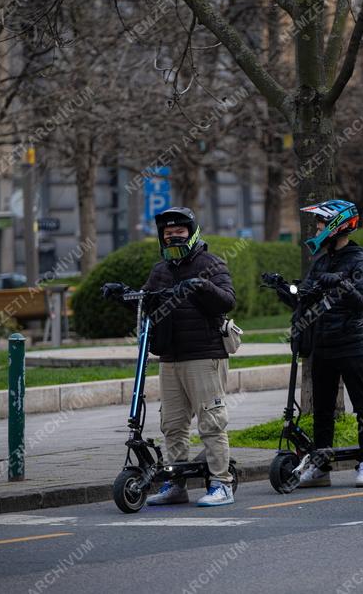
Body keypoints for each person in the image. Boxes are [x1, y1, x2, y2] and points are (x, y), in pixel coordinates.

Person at [101, 206, 236, 507]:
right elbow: (147, 302)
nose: (173, 236)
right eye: (168, 233)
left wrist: (202, 285)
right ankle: (176, 485)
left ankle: (221, 483)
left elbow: (227, 300)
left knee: (211, 422)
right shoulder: (160, 271)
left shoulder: (211, 263)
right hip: (170, 357)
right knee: (172, 425)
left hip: (204, 355)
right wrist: (123, 294)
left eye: (179, 231)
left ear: (191, 232)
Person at [276, 199, 363, 488]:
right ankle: (321, 466)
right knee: (322, 409)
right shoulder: (321, 259)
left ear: (337, 225)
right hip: (322, 346)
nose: (317, 228)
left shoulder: (359, 260)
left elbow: (361, 301)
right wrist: (284, 289)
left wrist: (338, 281)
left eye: (321, 223)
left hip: (351, 343)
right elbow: (305, 297)